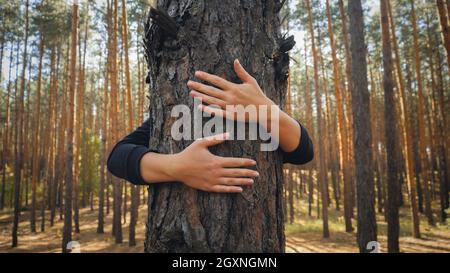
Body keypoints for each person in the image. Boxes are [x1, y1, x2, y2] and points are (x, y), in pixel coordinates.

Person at [107, 59, 314, 193]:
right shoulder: (170, 119)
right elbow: (117, 158)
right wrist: (176, 167)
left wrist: (264, 109)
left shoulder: (259, 118)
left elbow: (302, 151)